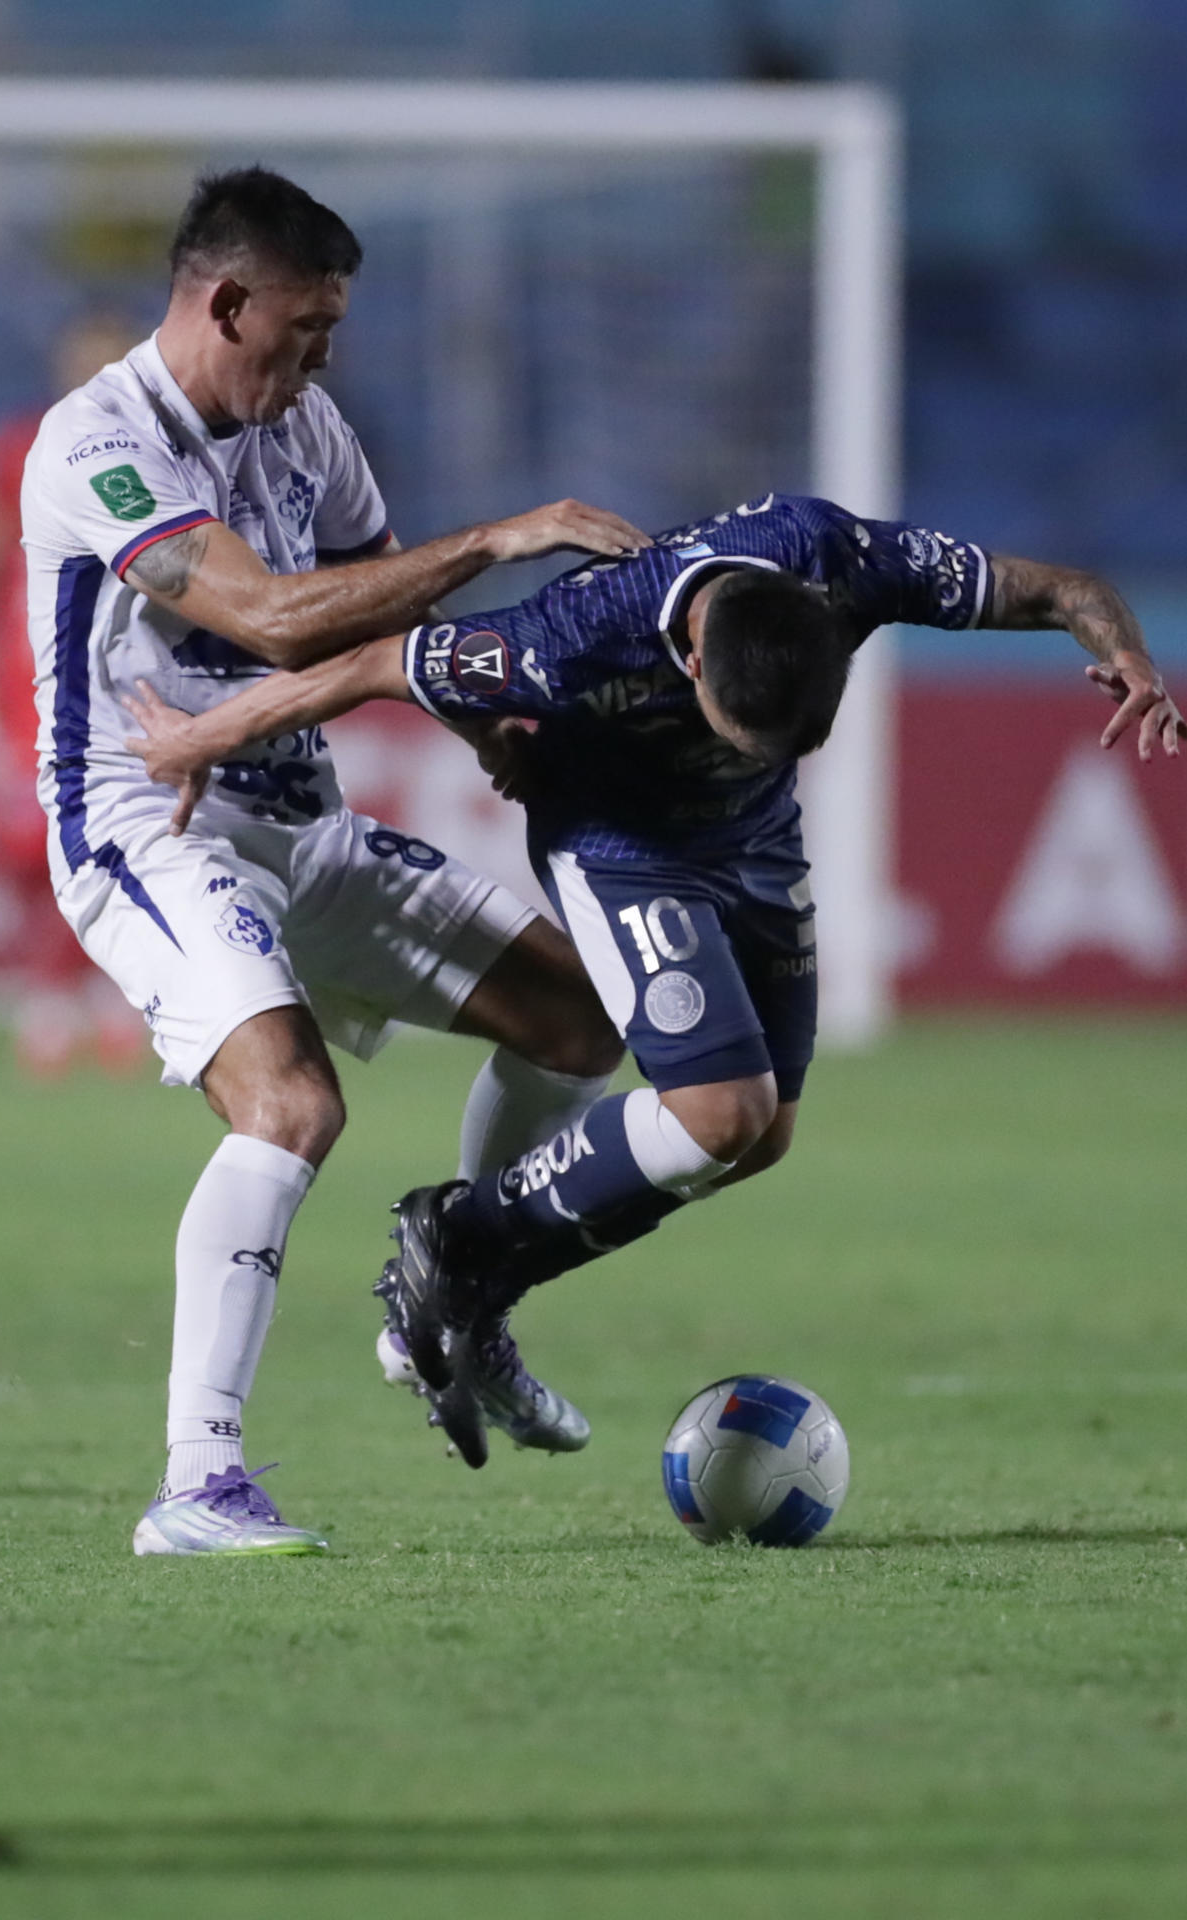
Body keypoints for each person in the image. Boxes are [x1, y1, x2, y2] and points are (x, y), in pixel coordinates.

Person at [121, 488, 1186, 1471]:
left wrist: (1132, 658)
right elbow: (371, 665)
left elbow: (1063, 588)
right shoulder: (572, 638)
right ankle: (462, 1240)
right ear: (689, 655)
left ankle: (472, 1276)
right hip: (620, 848)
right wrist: (207, 737)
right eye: (741, 733)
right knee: (720, 1112)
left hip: (758, 851)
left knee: (763, 1139)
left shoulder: (840, 558)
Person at [21, 165, 649, 1554]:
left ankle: (462, 1297)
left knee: (577, 1017)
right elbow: (279, 622)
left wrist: (501, 726)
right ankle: (197, 1485)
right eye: (303, 330)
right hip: (149, 825)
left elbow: (388, 631)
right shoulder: (96, 441)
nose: (318, 361)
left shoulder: (308, 433)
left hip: (307, 825)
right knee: (290, 1107)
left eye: (333, 335)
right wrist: (495, 537)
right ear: (225, 299)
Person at [0, 312, 148, 1074]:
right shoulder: (19, 446)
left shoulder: (155, 450)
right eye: (84, 353)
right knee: (34, 840)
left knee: (119, 833)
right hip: (28, 679)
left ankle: (103, 997)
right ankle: (57, 994)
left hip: (124, 677)